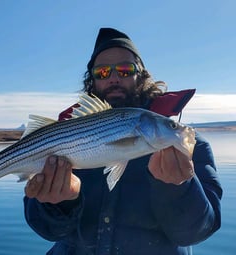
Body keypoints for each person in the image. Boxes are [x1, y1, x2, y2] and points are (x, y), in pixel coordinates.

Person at [23, 27, 222, 255]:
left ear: (142, 76)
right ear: (93, 80)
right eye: (103, 72)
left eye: (126, 70)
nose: (115, 78)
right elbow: (46, 230)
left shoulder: (190, 147)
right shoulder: (63, 138)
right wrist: (58, 204)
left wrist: (179, 189)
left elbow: (197, 232)